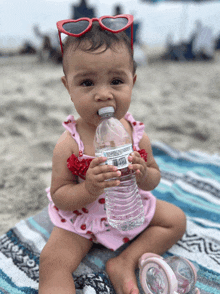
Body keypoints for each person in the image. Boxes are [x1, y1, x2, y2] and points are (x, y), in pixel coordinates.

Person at [39, 15, 186, 294]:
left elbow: (154, 176)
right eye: (86, 83)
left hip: (130, 209)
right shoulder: (69, 143)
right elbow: (60, 194)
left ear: (133, 81)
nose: (103, 94)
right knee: (52, 262)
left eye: (116, 81)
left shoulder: (135, 132)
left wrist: (143, 173)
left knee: (176, 220)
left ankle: (125, 261)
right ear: (67, 87)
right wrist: (90, 188)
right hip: (83, 218)